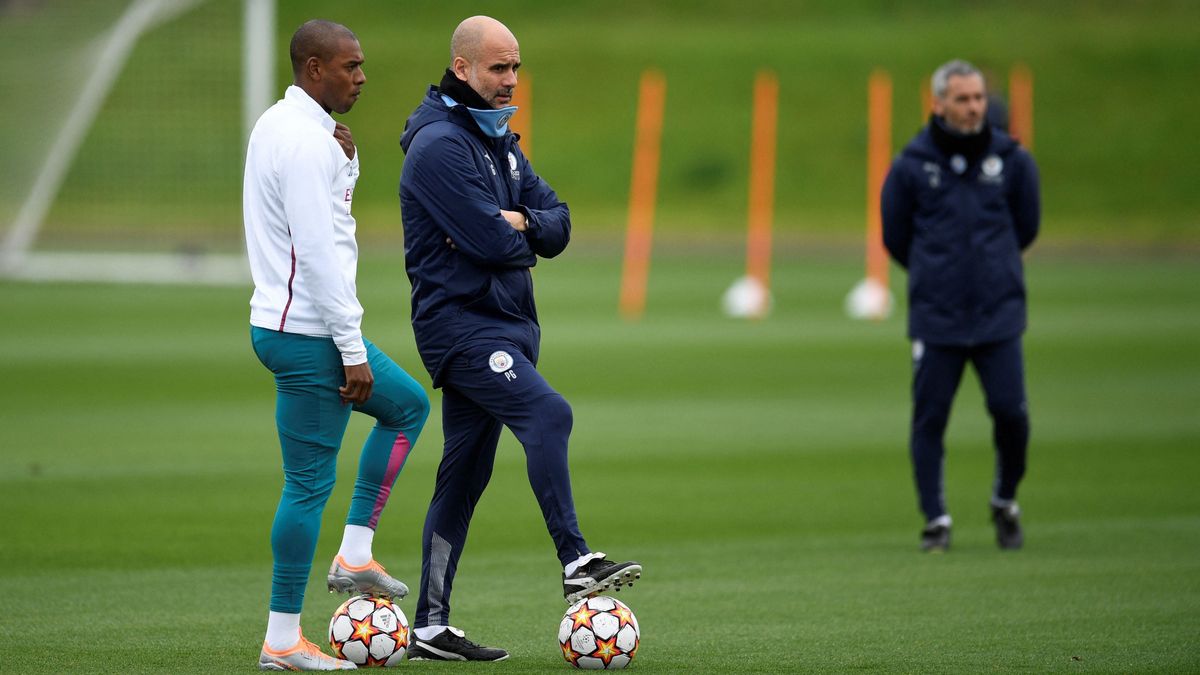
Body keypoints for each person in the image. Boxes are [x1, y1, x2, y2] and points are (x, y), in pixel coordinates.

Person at [397, 15, 642, 662]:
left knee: (463, 476)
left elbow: (556, 228)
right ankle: (575, 558)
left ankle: (427, 623)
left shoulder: (499, 142)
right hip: (463, 327)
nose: (510, 80)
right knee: (548, 411)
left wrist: (517, 222)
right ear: (462, 69)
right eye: (498, 68)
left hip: (507, 323)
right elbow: (495, 243)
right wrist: (512, 230)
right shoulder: (440, 148)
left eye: (515, 67)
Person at [244, 19, 430, 671]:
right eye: (350, 66)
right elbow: (319, 255)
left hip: (287, 325)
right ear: (314, 67)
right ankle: (283, 638)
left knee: (407, 406)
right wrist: (351, 349)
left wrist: (346, 162)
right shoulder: (306, 144)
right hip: (310, 336)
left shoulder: (282, 125)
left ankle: (355, 550)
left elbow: (324, 216)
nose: (362, 76)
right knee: (305, 486)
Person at [881, 59, 1040, 553]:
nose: (975, 107)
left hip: (998, 315)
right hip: (938, 317)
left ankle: (1004, 500)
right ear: (939, 104)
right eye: (964, 99)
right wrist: (938, 278)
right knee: (930, 419)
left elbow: (1026, 227)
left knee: (1010, 414)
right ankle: (937, 521)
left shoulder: (1012, 160)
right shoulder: (911, 165)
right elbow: (895, 237)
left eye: (978, 98)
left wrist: (992, 274)